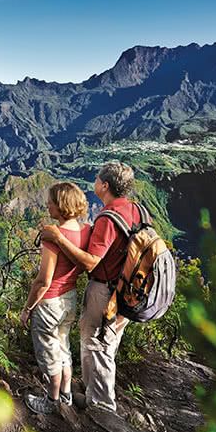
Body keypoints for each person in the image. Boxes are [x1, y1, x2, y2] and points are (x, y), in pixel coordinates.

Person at [40, 163, 139, 412]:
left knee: (96, 346)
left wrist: (59, 238)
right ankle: (95, 396)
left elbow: (90, 262)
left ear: (104, 185)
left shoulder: (107, 218)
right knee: (107, 345)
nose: (94, 181)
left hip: (107, 291)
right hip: (129, 290)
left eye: (97, 178)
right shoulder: (135, 209)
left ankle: (102, 409)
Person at [22, 182, 91, 415]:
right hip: (70, 298)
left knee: (49, 353)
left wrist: (28, 307)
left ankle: (51, 402)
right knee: (63, 347)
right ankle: (66, 395)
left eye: (51, 201)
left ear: (61, 206)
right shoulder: (86, 231)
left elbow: (43, 281)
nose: (47, 205)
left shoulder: (53, 236)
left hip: (49, 302)